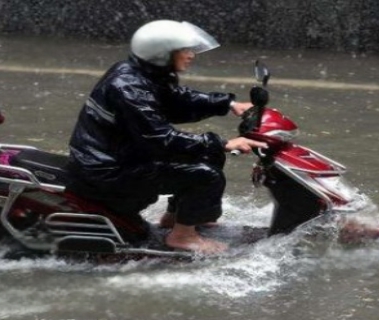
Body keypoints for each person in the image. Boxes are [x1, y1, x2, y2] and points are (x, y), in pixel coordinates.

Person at [66, 20, 266, 254]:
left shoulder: (140, 74)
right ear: (161, 54)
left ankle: (175, 219)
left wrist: (228, 104)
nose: (191, 55)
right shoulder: (129, 87)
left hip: (119, 156)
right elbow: (160, 139)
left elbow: (176, 100)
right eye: (184, 50)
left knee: (207, 154)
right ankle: (183, 237)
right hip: (108, 170)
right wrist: (223, 143)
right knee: (205, 176)